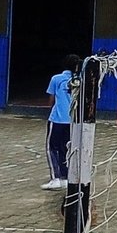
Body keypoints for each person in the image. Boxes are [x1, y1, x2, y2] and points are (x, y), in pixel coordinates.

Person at [43, 58, 78, 191]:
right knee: (65, 148)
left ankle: (55, 178)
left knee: (51, 148)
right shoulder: (78, 80)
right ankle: (65, 176)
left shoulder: (56, 79)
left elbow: (51, 98)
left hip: (57, 119)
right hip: (71, 120)